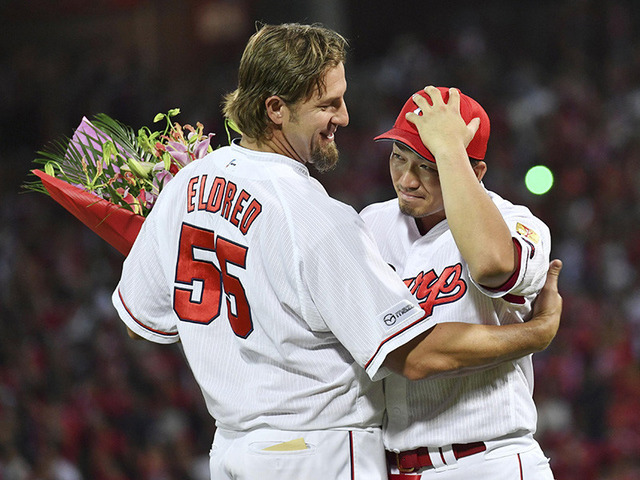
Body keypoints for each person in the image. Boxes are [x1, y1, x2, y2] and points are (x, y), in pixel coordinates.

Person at [111, 24, 562, 480]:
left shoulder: (187, 185)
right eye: (328, 104)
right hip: (314, 451)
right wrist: (536, 334)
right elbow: (416, 356)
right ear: (276, 110)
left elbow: (143, 325)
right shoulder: (333, 219)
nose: (344, 116)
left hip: (479, 460)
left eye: (429, 164)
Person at [360, 86, 556, 479]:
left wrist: (448, 149)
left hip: (489, 459)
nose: (407, 179)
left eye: (427, 167)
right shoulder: (370, 223)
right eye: (399, 158)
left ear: (475, 169)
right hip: (394, 466)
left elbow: (492, 266)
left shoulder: (517, 221)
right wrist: (534, 335)